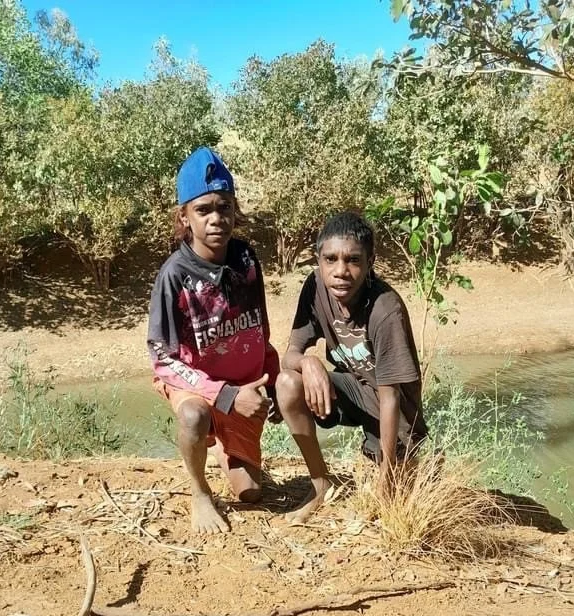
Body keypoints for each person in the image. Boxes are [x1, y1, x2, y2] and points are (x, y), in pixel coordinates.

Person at [148, 146, 280, 534]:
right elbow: (161, 357)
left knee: (251, 493)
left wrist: (269, 380)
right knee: (193, 416)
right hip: (198, 385)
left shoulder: (245, 260)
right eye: (203, 209)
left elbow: (260, 329)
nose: (216, 218)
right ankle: (200, 493)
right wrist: (224, 396)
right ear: (184, 217)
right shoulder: (174, 276)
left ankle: (224, 442)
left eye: (224, 207)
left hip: (243, 387)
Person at [276, 211, 428, 523]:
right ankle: (320, 486)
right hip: (351, 389)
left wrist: (386, 476)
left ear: (371, 262)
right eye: (330, 259)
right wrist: (309, 362)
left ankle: (400, 466)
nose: (340, 271)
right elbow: (290, 354)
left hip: (393, 409)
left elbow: (391, 397)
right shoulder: (315, 286)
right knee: (288, 383)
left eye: (353, 260)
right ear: (318, 260)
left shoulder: (386, 309)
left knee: (393, 504)